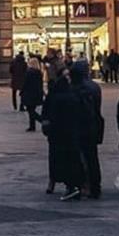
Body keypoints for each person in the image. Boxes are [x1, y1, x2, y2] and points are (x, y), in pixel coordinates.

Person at [40, 67, 85, 201]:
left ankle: (56, 183)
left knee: (57, 159)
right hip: (71, 133)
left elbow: (46, 113)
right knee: (72, 159)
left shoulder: (54, 96)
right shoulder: (73, 96)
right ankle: (74, 185)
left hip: (56, 134)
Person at [70, 59, 103, 199]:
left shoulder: (75, 87)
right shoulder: (95, 87)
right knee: (92, 157)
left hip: (80, 125)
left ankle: (83, 184)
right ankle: (95, 186)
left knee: (80, 156)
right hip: (93, 124)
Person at [21, 56, 45, 132]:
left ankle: (41, 121)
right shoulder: (39, 72)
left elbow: (26, 83)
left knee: (30, 110)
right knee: (32, 109)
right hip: (36, 93)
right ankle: (32, 125)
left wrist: (22, 91)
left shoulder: (29, 72)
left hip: (29, 93)